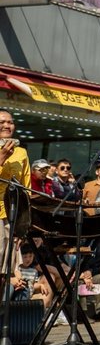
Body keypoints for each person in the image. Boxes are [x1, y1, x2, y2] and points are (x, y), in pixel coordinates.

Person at [0, 110, 31, 273]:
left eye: (10, 122)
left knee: (8, 270)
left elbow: (26, 188)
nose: (7, 125)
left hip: (12, 215)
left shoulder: (21, 152)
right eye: (2, 122)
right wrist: (2, 157)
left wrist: (23, 226)